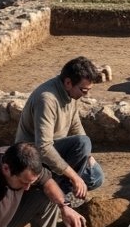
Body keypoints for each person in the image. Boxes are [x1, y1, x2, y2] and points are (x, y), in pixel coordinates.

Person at [16, 57, 106, 203]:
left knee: (95, 176)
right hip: (31, 157)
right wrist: (74, 177)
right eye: (84, 90)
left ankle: (59, 188)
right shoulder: (47, 100)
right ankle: (59, 194)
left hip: (56, 151)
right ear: (68, 82)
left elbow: (75, 125)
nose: (86, 95)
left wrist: (88, 156)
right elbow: (43, 147)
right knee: (82, 143)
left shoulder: (71, 95)